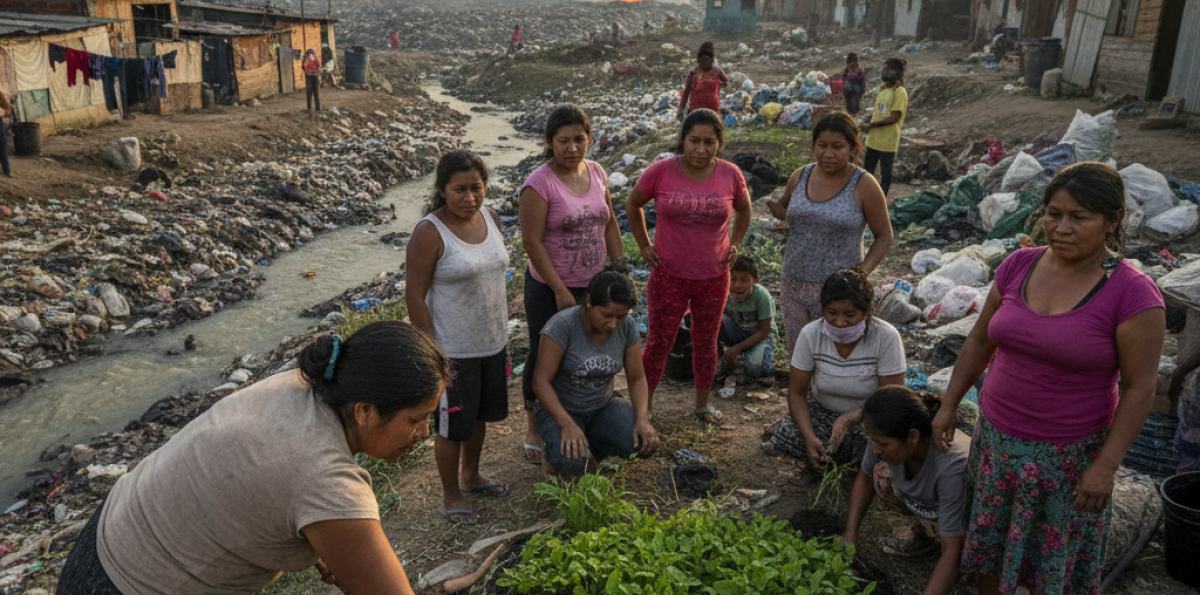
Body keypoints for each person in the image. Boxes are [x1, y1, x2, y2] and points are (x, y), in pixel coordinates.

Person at [56, 323, 450, 595]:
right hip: (132, 584)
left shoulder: (302, 384)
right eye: (416, 419)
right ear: (365, 411)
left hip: (104, 537)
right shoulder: (327, 482)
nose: (424, 433)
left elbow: (258, 479)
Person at [931, 162, 1165, 595]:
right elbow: (980, 341)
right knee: (991, 552)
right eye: (1053, 213)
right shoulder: (1019, 265)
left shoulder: (1133, 293)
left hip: (1068, 462)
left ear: (1113, 220)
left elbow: (1139, 388)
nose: (1061, 227)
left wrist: (1106, 466)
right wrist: (949, 403)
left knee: (1050, 570)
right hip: (997, 444)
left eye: (1079, 217)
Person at [626, 109, 752, 425]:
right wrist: (644, 245)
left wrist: (735, 242)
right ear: (682, 140)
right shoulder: (661, 171)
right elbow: (633, 203)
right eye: (693, 141)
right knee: (658, 342)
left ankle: (702, 405)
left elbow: (745, 209)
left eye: (709, 142)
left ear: (719, 143)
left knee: (707, 341)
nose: (700, 149)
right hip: (668, 275)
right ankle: (645, 408)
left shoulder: (731, 174)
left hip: (713, 277)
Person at [406, 151, 511, 525]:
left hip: (493, 342)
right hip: (453, 351)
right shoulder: (430, 232)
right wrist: (431, 353)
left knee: (478, 416)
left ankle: (472, 476)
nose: (469, 198)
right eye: (459, 190)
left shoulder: (491, 218)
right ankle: (451, 495)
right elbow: (415, 296)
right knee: (451, 428)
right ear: (441, 190)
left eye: (476, 188)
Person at [519, 104, 624, 464]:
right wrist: (560, 290)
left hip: (593, 286)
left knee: (591, 348)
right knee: (543, 353)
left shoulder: (596, 172)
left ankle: (590, 414)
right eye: (563, 141)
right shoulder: (538, 184)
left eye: (579, 139)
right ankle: (535, 425)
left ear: (589, 138)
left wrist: (619, 265)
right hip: (550, 287)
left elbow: (609, 222)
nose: (572, 148)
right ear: (550, 143)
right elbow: (532, 243)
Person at [767, 112, 892, 354]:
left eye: (837, 147)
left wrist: (862, 272)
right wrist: (774, 207)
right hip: (792, 282)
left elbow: (884, 236)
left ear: (854, 147)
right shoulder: (800, 176)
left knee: (836, 357)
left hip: (838, 295)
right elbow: (787, 210)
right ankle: (801, 393)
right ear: (813, 145)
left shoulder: (864, 184)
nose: (828, 154)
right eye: (821, 146)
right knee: (800, 353)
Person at [764, 267, 906, 467]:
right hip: (824, 411)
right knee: (789, 436)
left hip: (871, 416)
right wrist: (809, 438)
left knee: (874, 447)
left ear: (866, 312)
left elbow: (893, 398)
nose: (840, 322)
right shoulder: (810, 335)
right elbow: (796, 393)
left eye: (850, 314)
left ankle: (848, 461)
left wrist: (853, 417)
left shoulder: (885, 337)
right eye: (832, 313)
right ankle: (829, 456)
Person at [843, 386, 970, 595]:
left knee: (962, 551)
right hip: (936, 501)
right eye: (873, 440)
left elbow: (952, 552)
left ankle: (959, 545)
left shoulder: (951, 468)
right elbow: (865, 478)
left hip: (969, 513)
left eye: (883, 443)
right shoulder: (884, 434)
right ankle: (928, 534)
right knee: (882, 476)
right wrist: (851, 532)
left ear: (913, 436)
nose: (875, 449)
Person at [533, 271, 659, 475]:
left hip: (603, 405)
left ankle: (591, 447)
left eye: (621, 316)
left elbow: (636, 377)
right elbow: (540, 383)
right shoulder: (562, 326)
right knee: (573, 463)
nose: (613, 324)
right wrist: (566, 424)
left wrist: (642, 419)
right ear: (589, 301)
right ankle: (555, 450)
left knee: (643, 444)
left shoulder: (626, 327)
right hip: (563, 410)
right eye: (607, 315)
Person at [718, 255, 776, 385]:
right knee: (716, 319)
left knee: (756, 369)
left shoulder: (761, 296)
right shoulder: (724, 293)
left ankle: (750, 356)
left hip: (759, 337)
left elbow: (764, 330)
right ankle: (719, 359)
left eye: (744, 280)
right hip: (738, 333)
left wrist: (737, 348)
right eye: (733, 279)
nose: (738, 285)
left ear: (754, 280)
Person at [861, 57, 907, 197]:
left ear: (898, 72)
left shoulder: (899, 92)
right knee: (867, 172)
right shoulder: (883, 90)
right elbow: (880, 113)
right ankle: (865, 199)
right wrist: (867, 120)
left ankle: (880, 202)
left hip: (887, 141)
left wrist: (871, 125)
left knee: (885, 175)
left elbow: (894, 117)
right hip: (874, 139)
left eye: (889, 69)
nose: (885, 72)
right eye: (884, 69)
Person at [678, 42, 727, 120]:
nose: (704, 62)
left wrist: (716, 88)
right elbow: (686, 91)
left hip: (712, 110)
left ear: (711, 60)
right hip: (696, 111)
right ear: (699, 59)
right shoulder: (693, 73)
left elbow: (725, 82)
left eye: (706, 60)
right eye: (702, 60)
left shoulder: (717, 72)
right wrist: (681, 108)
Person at [0, 90, 10, 177]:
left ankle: (6, 170)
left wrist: (3, 112)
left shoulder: (0, 95)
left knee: (2, 147)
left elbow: (6, 111)